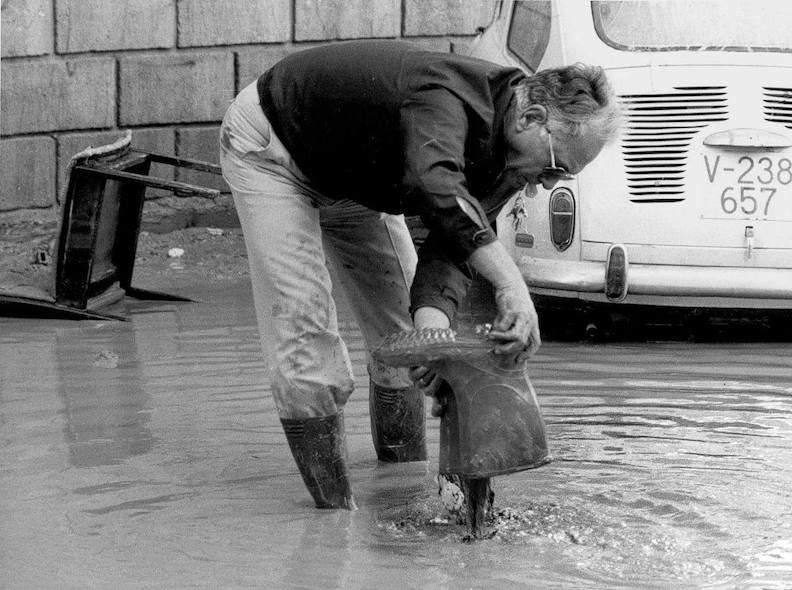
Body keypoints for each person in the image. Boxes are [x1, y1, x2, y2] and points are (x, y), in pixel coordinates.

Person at [218, 40, 619, 510]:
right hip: (277, 149)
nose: (546, 184)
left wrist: (434, 336)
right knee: (305, 337)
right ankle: (332, 521)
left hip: (358, 176)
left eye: (561, 179)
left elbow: (455, 243)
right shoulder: (445, 94)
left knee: (403, 344)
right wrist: (512, 285)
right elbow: (435, 188)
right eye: (554, 169)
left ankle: (402, 497)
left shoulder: (511, 160)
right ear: (530, 118)